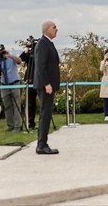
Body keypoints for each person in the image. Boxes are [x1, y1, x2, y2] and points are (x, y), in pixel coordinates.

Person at [33, 20, 60, 155]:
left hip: (49, 84)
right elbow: (41, 66)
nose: (56, 29)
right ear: (47, 29)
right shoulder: (43, 44)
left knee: (47, 113)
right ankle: (41, 144)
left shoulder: (48, 43)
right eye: (54, 27)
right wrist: (46, 83)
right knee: (45, 113)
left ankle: (43, 142)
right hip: (45, 86)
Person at [0, 44, 24, 132]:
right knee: (7, 105)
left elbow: (19, 61)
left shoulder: (10, 58)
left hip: (14, 82)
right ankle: (10, 125)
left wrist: (9, 55)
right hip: (4, 84)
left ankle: (17, 126)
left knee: (16, 105)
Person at [19, 37, 38, 132]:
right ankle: (30, 122)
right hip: (30, 78)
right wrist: (26, 51)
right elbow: (21, 59)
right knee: (30, 103)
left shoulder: (39, 52)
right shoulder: (29, 53)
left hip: (38, 78)